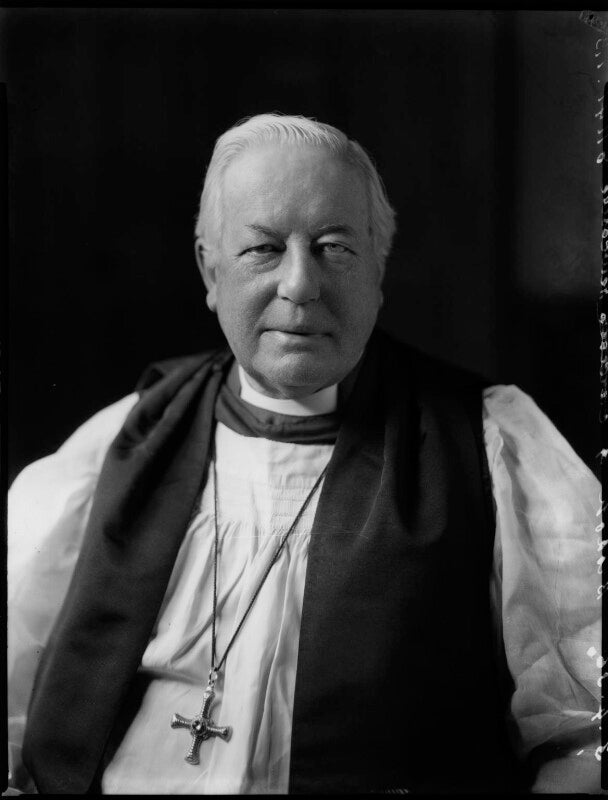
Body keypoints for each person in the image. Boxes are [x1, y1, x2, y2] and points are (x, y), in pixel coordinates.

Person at [7, 113, 601, 795]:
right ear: (210, 270)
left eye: (334, 247)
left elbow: (589, 738)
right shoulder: (122, 443)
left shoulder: (490, 444)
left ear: (378, 269)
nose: (299, 284)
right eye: (263, 248)